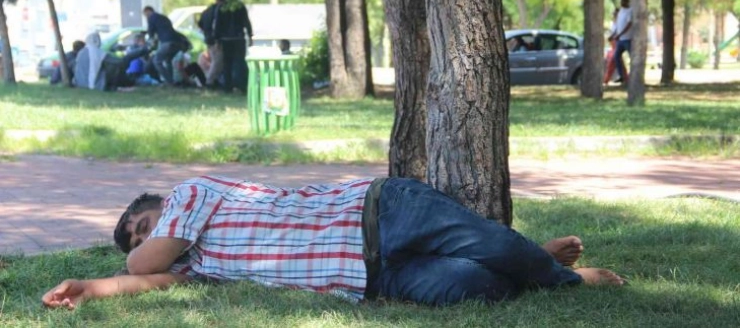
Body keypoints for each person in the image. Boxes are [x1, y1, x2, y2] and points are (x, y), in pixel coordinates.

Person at [42, 176, 624, 310]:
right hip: (369, 278)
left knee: (490, 243)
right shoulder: (198, 265)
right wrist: (89, 286)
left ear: (163, 207)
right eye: (135, 238)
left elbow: (143, 260)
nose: (144, 239)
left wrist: (137, 250)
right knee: (473, 286)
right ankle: (534, 257)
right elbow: (146, 277)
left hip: (378, 212)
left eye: (144, 224)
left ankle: (564, 275)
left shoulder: (191, 194)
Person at [213, 0, 253, 94]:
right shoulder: (240, 6)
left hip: (226, 39)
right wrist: (250, 35)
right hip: (238, 38)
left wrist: (217, 40)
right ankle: (242, 86)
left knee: (227, 63)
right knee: (240, 62)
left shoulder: (222, 7)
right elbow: (246, 21)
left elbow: (218, 24)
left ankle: (228, 86)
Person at [143, 6, 179, 85]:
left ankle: (169, 81)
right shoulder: (164, 17)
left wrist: (150, 43)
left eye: (145, 14)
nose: (146, 16)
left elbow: (151, 33)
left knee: (157, 61)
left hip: (166, 41)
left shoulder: (152, 17)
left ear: (148, 11)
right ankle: (171, 80)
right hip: (176, 41)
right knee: (168, 60)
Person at [198, 0, 226, 89]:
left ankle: (214, 80)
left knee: (215, 60)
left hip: (208, 39)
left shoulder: (207, 11)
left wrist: (206, 32)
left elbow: (200, 24)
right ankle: (210, 81)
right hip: (215, 40)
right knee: (217, 62)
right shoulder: (217, 10)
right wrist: (217, 38)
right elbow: (217, 25)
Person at [608, 0, 633, 84]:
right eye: (621, 1)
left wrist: (620, 34)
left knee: (632, 57)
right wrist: (613, 35)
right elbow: (618, 25)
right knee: (616, 56)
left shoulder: (630, 11)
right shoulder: (621, 11)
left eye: (623, 1)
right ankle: (622, 76)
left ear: (627, 1)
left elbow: (629, 24)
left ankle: (632, 75)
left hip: (627, 39)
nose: (621, 2)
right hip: (620, 40)